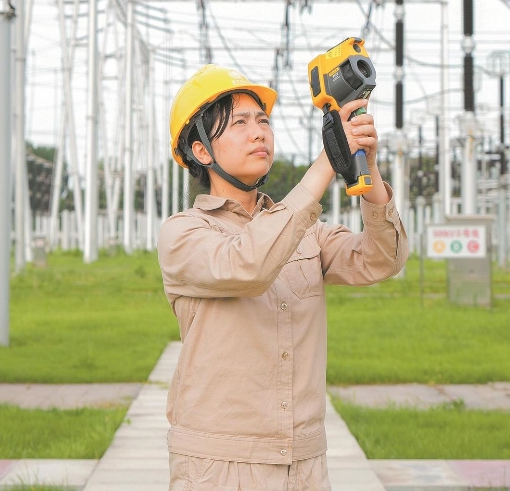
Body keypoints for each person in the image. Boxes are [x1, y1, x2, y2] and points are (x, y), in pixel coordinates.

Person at [157, 64, 408, 491]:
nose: (259, 133)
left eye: (263, 121)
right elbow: (248, 266)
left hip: (303, 461)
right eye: (239, 123)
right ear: (201, 151)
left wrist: (367, 170)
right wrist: (328, 161)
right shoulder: (183, 234)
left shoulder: (303, 231)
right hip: (220, 464)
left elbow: (382, 258)